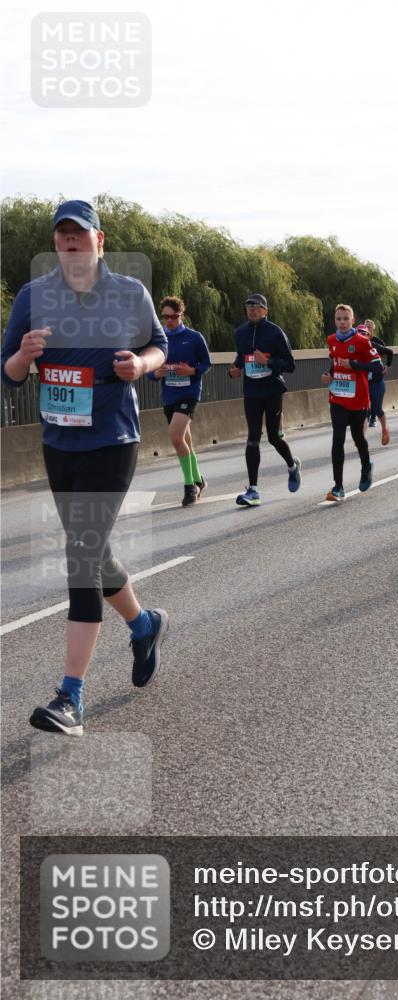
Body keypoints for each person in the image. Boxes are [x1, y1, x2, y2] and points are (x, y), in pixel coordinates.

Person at [0, 199, 169, 735]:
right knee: (95, 552)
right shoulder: (34, 296)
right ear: (56, 243)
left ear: (100, 241)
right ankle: (143, 624)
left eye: (81, 235)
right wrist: (25, 357)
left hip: (112, 436)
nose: (71, 243)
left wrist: (139, 364)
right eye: (63, 236)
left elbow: (158, 345)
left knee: (80, 556)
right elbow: (7, 373)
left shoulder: (127, 293)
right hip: (58, 439)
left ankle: (70, 698)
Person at [229, 293, 301, 507]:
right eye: (248, 306)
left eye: (256, 306)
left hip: (272, 391)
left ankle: (292, 466)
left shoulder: (275, 332)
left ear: (265, 310)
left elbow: (290, 365)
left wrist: (268, 361)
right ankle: (253, 490)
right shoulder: (241, 333)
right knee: (253, 438)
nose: (252, 309)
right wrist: (233, 370)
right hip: (251, 392)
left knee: (273, 437)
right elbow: (240, 359)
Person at [149, 296, 212, 506]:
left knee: (176, 438)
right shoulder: (159, 340)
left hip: (189, 393)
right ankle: (199, 479)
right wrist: (156, 374)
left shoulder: (194, 338)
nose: (168, 321)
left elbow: (207, 363)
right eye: (165, 317)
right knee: (185, 441)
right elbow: (149, 371)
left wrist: (191, 370)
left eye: (172, 317)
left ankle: (189, 487)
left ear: (181, 315)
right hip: (169, 395)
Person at [321, 304, 383, 501]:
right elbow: (335, 362)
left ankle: (366, 467)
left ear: (352, 321)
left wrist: (354, 364)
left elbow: (378, 367)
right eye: (338, 319)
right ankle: (338, 486)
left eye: (345, 319)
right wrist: (329, 375)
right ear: (335, 321)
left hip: (359, 398)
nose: (342, 323)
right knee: (337, 439)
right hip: (338, 396)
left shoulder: (362, 342)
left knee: (358, 438)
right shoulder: (331, 340)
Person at [361, 320, 392, 446]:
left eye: (364, 333)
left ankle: (385, 429)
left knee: (377, 409)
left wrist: (386, 367)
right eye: (359, 333)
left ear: (369, 334)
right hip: (362, 384)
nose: (362, 335)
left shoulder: (374, 346)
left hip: (376, 382)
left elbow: (389, 352)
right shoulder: (353, 349)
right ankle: (361, 440)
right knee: (363, 411)